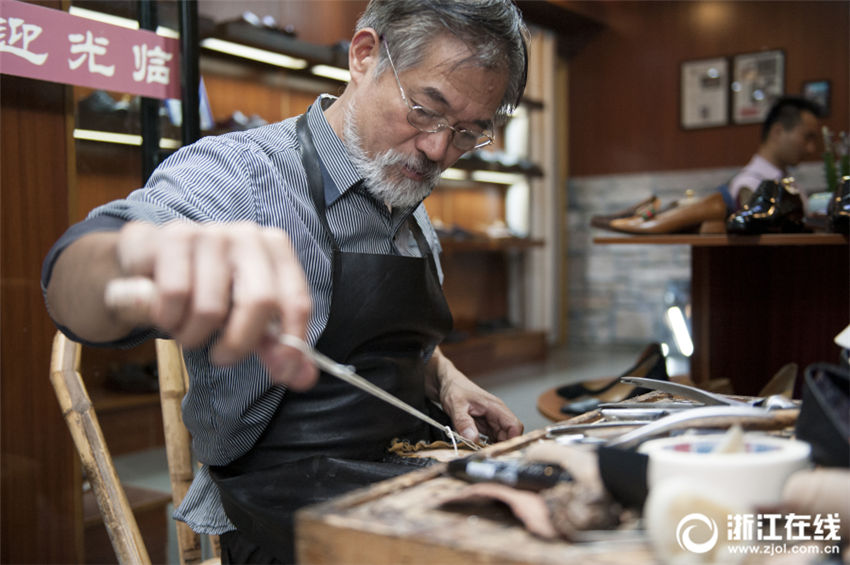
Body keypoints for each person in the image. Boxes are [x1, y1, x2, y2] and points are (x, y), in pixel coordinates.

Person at [42, 0, 529, 562]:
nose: (439, 150)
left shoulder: (404, 187)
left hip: (405, 476)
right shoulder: (239, 175)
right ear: (365, 55)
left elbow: (369, 339)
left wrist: (442, 376)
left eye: (468, 133)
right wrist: (142, 255)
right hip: (278, 517)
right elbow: (70, 281)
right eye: (424, 109)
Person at [728, 96, 822, 209]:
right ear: (777, 131)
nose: (811, 148)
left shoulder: (789, 183)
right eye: (807, 137)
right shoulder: (749, 185)